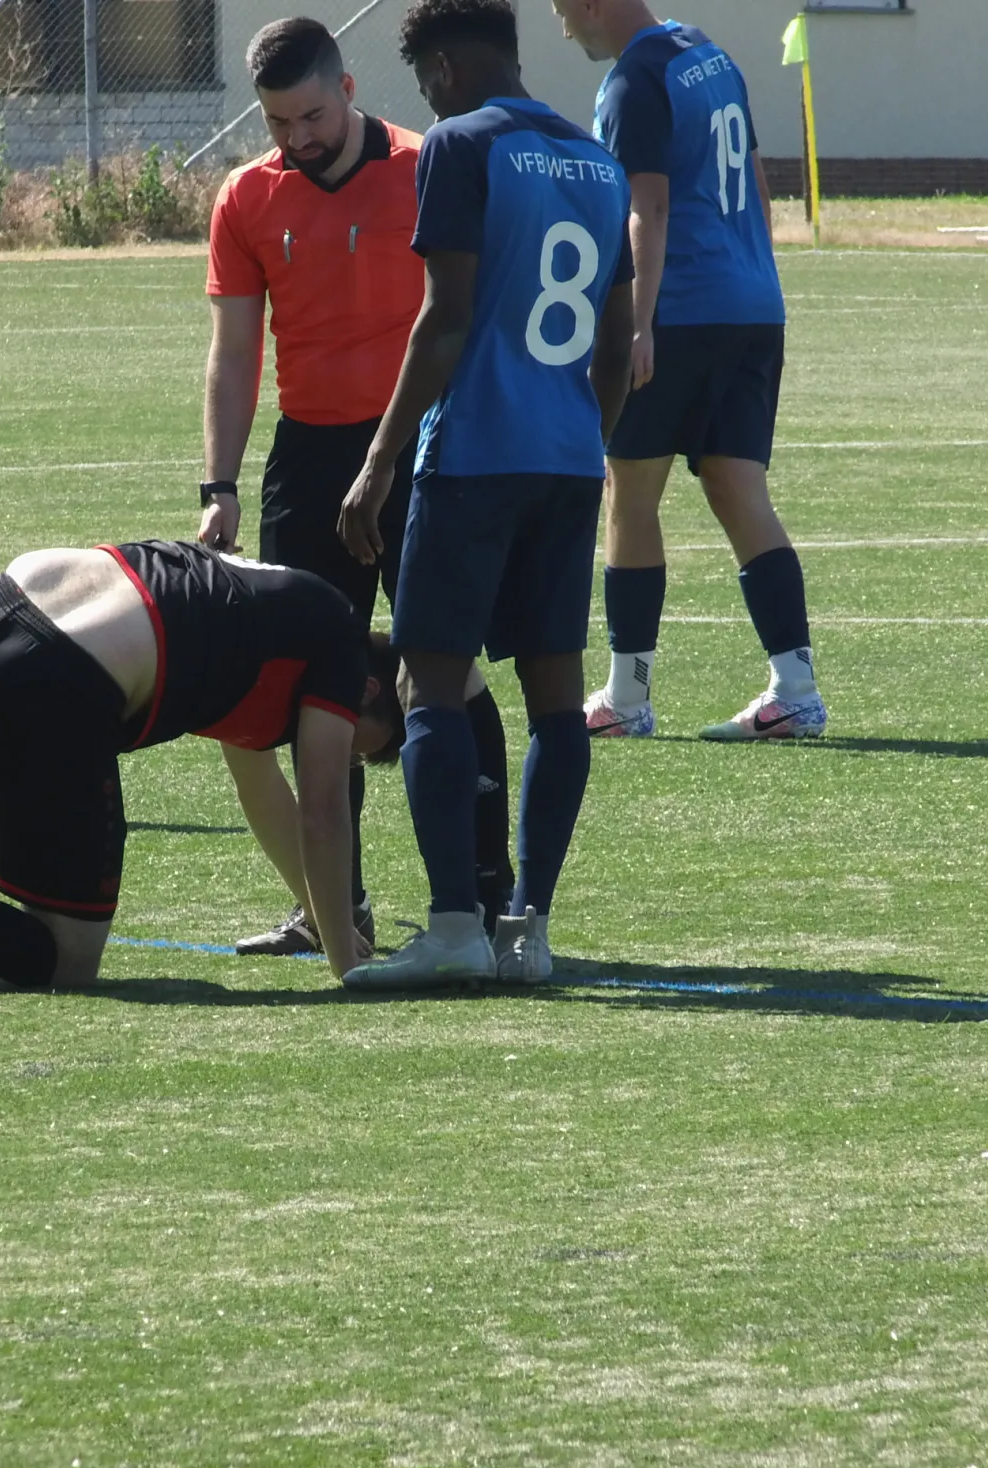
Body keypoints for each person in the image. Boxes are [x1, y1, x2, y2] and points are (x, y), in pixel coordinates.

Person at [201, 15, 518, 956]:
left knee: (443, 668)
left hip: (426, 452)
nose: (296, 137)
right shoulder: (245, 197)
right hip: (308, 462)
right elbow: (233, 354)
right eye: (277, 122)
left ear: (346, 88)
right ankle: (337, 910)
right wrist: (219, 481)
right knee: (307, 682)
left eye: (310, 115)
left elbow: (478, 315)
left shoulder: (428, 166)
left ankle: (488, 900)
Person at [0, 540, 406, 992]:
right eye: (364, 745)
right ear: (371, 691)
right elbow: (322, 813)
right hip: (52, 674)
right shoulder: (341, 648)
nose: (347, 754)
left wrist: (326, 923)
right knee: (66, 959)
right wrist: (349, 966)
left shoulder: (276, 612)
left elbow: (264, 794)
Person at [337, 0, 633, 988]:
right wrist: (584, 442)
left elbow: (444, 320)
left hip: (471, 455)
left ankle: (454, 926)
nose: (427, 101)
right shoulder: (597, 160)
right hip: (566, 459)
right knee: (555, 701)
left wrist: (378, 460)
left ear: (447, 72)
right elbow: (617, 343)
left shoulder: (460, 145)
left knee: (428, 687)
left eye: (425, 84)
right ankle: (529, 930)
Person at [552, 0, 825, 741]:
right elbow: (757, 179)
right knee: (740, 491)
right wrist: (755, 273)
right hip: (751, 305)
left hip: (681, 312)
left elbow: (648, 205)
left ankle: (626, 698)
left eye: (562, 10)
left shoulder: (634, 79)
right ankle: (796, 691)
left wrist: (636, 324)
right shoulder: (706, 51)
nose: (563, 28)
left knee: (629, 494)